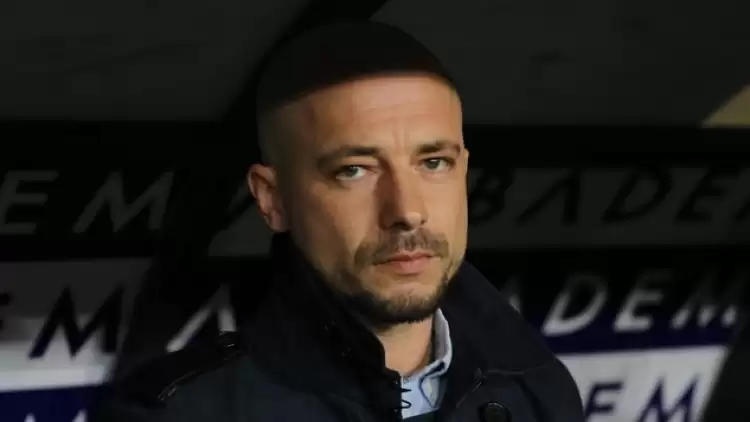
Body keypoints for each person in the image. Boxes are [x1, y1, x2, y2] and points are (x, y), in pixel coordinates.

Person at [88, 20, 585, 422]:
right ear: (272, 199)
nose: (406, 210)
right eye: (354, 170)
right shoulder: (175, 415)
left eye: (434, 162)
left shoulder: (540, 388)